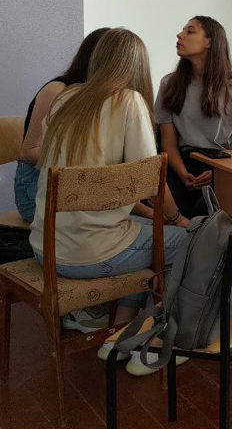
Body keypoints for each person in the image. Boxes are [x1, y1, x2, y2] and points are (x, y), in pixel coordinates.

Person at [29, 28, 190, 373]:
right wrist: (178, 219)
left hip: (46, 249)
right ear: (138, 66)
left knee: (139, 229)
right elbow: (151, 181)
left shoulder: (66, 97)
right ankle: (166, 339)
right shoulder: (129, 102)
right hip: (91, 255)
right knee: (186, 243)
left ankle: (121, 331)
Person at [155, 16, 232, 217]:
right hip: (181, 163)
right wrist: (183, 174)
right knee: (171, 214)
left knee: (206, 216)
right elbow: (168, 143)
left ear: (209, 41)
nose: (180, 35)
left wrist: (220, 172)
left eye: (190, 31)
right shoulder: (169, 84)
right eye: (183, 30)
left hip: (222, 163)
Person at [14, 28, 111, 224]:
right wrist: (79, 157)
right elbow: (28, 152)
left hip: (72, 181)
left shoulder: (101, 96)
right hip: (35, 186)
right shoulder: (57, 90)